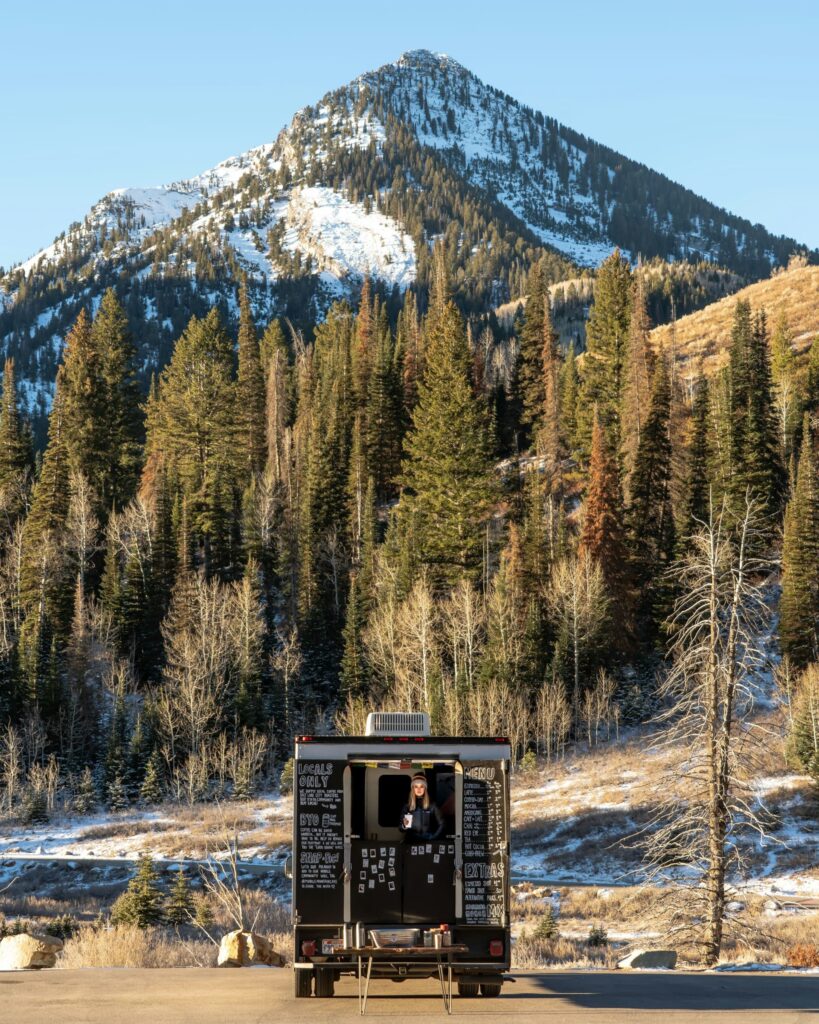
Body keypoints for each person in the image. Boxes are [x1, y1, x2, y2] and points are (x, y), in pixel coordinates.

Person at [399, 773, 445, 840]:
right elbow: (401, 828)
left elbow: (442, 824)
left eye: (421, 786)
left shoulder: (432, 806)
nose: (419, 789)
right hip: (411, 842)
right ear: (413, 789)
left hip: (427, 842)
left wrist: (433, 837)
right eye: (416, 786)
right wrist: (404, 826)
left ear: (425, 788)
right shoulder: (407, 807)